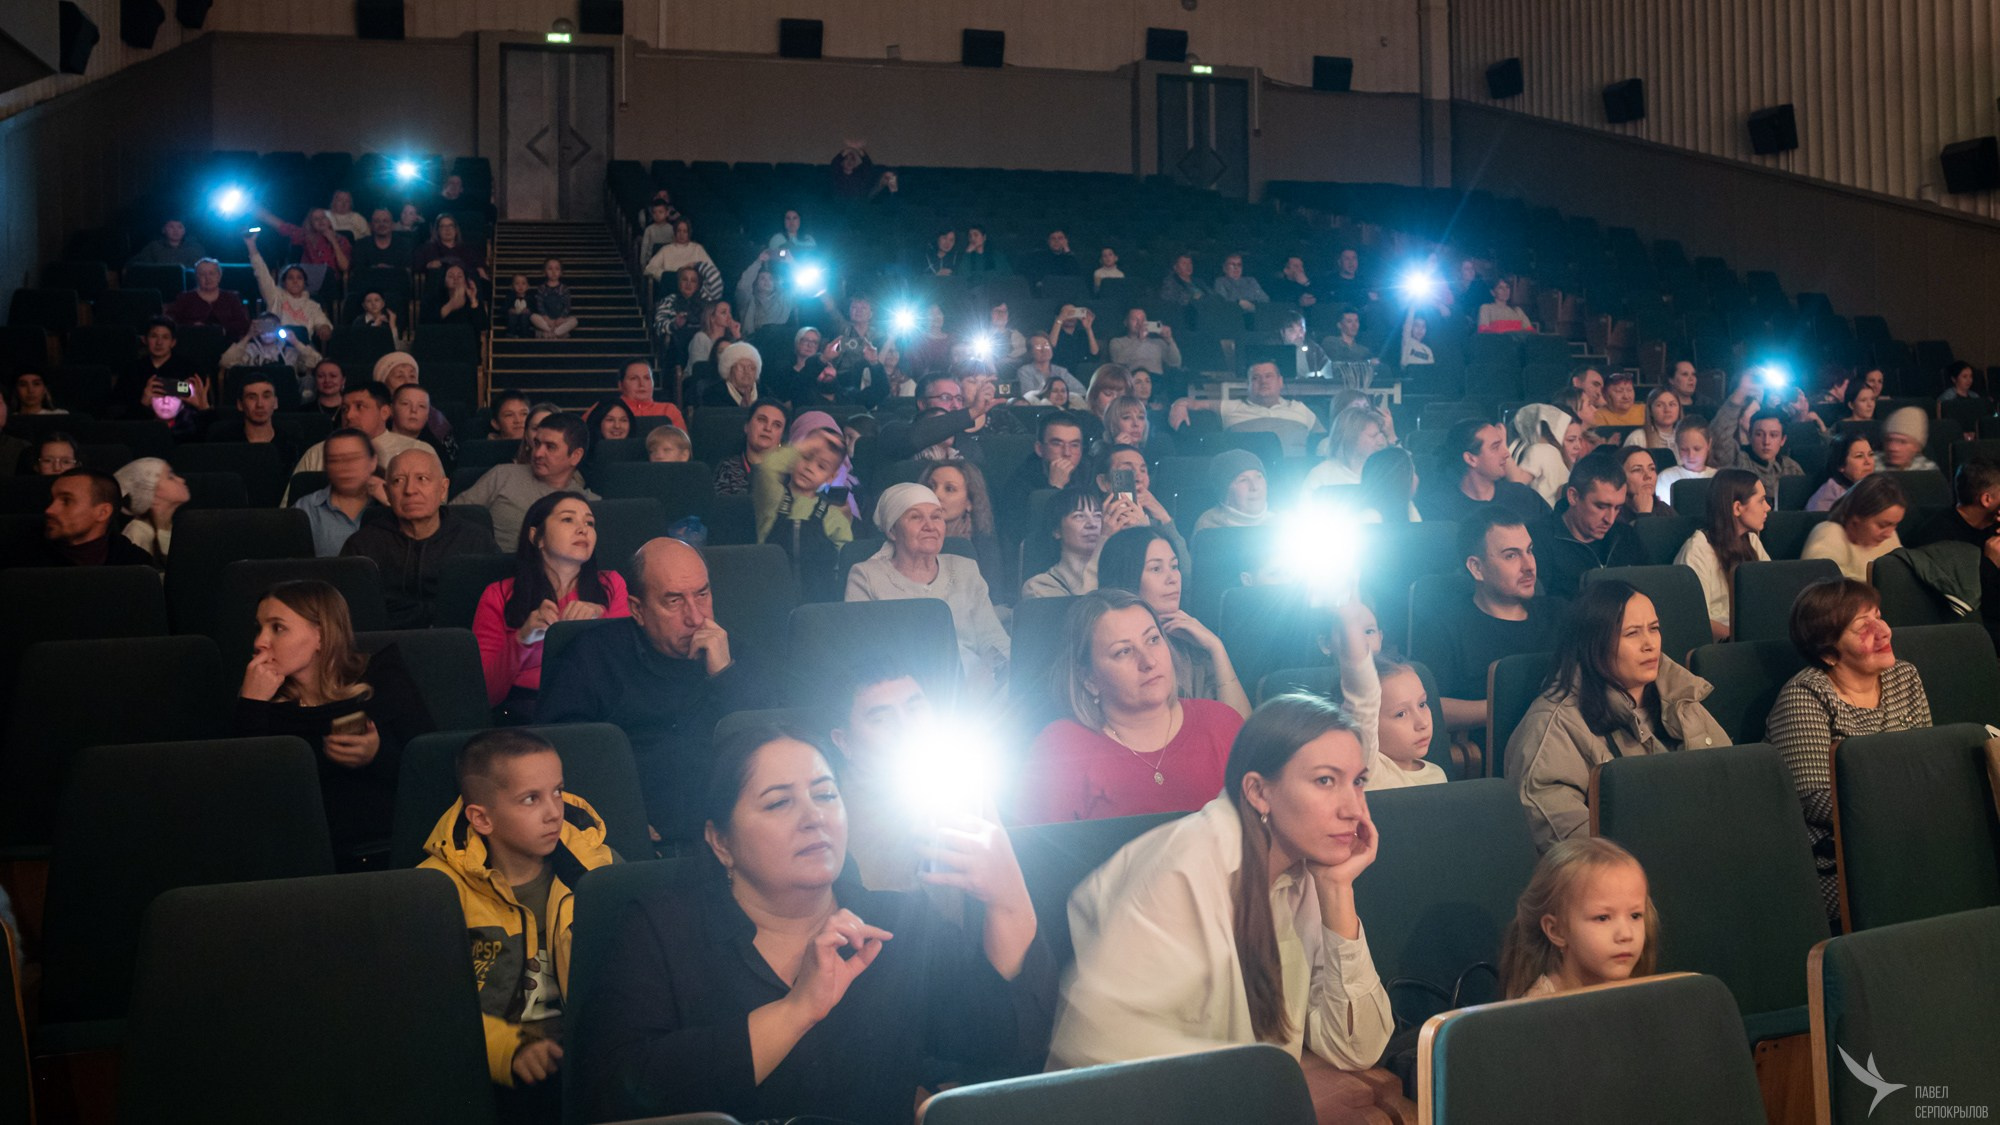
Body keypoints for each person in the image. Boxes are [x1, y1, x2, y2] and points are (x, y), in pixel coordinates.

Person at [583, 720, 1050, 1124]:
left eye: (826, 794)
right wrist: (795, 1010)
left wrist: (1010, 901)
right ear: (720, 842)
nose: (815, 817)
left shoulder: (898, 922)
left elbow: (1001, 1047)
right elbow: (615, 1097)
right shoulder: (661, 929)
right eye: (778, 803)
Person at [1047, 692, 1391, 1073]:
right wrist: (1270, 1092)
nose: (1354, 809)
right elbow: (1093, 1041)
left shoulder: (1308, 865)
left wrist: (1337, 891)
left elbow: (1357, 1048)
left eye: (1358, 781)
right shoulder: (1185, 867)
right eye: (1325, 780)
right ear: (1259, 792)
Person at [420, 729, 616, 1116]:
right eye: (531, 799)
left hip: (594, 1059)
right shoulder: (435, 890)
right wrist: (509, 1050)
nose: (554, 811)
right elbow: (425, 1006)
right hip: (495, 1073)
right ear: (482, 818)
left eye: (558, 791)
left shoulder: (598, 866)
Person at [538, 538, 769, 843]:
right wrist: (617, 819)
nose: (696, 617)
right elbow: (560, 756)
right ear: (637, 609)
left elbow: (769, 748)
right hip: (625, 836)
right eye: (674, 601)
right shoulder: (594, 657)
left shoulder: (735, 654)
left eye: (702, 595)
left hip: (731, 833)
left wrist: (724, 676)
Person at [1507, 580, 1729, 850]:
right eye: (1632, 633)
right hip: (1627, 875)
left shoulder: (1681, 696)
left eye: (1654, 628)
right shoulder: (1554, 724)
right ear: (1594, 644)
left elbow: (1731, 778)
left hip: (1709, 850)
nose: (1649, 644)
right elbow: (1556, 826)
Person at [234, 579, 436, 869]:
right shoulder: (259, 702)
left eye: (277, 627)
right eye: (259, 628)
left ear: (321, 635)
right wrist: (251, 704)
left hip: (393, 851)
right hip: (299, 859)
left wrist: (376, 755)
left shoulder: (382, 679)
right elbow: (248, 795)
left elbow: (431, 774)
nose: (259, 642)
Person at [1766, 579, 1932, 918]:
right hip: (1837, 861)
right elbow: (1814, 799)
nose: (1884, 632)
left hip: (1910, 841)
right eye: (1863, 628)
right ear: (1828, 653)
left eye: (1879, 618)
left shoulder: (1905, 676)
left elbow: (1928, 764)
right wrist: (1903, 809)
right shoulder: (1805, 696)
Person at [1015, 589, 1246, 824]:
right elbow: (1034, 856)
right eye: (1123, 651)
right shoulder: (1061, 749)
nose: (1149, 661)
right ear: (1089, 679)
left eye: (1153, 640)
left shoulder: (1221, 723)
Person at [473, 493, 630, 717]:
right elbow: (485, 695)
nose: (582, 529)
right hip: (526, 710)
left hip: (598, 706)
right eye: (568, 519)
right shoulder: (498, 594)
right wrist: (522, 640)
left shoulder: (611, 584)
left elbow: (628, 671)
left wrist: (601, 618)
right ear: (537, 537)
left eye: (589, 523)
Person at [1418, 510, 1567, 743]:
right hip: (1490, 755)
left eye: (1529, 551)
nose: (1529, 566)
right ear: (1477, 568)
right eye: (1511, 556)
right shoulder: (1445, 625)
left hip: (1564, 741)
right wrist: (1513, 708)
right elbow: (1429, 707)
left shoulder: (1559, 613)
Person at [847, 483, 1010, 687]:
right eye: (916, 517)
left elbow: (991, 637)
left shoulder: (965, 568)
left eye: (936, 517)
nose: (930, 526)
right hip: (904, 689)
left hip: (975, 686)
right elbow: (865, 652)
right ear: (892, 531)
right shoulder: (866, 576)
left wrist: (1005, 673)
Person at [1094, 526, 1252, 717]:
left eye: (1175, 566)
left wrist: (1216, 648)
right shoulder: (1103, 640)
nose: (1172, 578)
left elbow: (1239, 727)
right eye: (1156, 568)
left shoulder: (1191, 638)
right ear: (1127, 576)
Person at [340, 448, 492, 629]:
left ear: (443, 489)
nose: (410, 490)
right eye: (398, 481)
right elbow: (351, 618)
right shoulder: (361, 546)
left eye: (422, 479)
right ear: (387, 493)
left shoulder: (476, 541)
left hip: (456, 646)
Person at [1497, 838, 1659, 998]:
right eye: (1602, 918)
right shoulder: (1540, 1008)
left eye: (1635, 915)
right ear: (1556, 931)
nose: (1626, 935)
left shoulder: (1638, 993)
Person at [452, 413, 600, 552]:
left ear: (575, 456)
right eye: (537, 443)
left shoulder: (588, 505)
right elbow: (450, 517)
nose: (537, 453)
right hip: (496, 570)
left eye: (550, 447)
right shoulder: (503, 475)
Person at [1904, 458, 2000, 634]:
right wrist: (1990, 564)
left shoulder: (1994, 526)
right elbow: (1968, 604)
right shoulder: (1937, 536)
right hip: (1971, 627)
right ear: (1987, 499)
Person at [1674, 468, 1771, 641]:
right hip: (1720, 647)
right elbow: (1695, 619)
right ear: (1737, 508)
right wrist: (1740, 638)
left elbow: (1769, 592)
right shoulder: (1698, 550)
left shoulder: (1752, 540)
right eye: (1761, 501)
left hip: (1751, 638)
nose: (1768, 507)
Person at [1533, 452, 1644, 599]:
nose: (1610, 519)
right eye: (1601, 506)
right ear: (1573, 496)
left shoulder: (1627, 537)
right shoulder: (1537, 540)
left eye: (1617, 508)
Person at [288, 382, 427, 491]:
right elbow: (291, 512)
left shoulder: (418, 450)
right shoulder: (317, 452)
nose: (349, 416)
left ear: (384, 412)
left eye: (359, 407)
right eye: (345, 409)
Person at [1171, 361, 1325, 457]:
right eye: (1255, 378)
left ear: (1280, 381)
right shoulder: (1231, 407)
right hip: (1248, 479)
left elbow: (1325, 444)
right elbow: (1193, 403)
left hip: (1294, 478)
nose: (1263, 381)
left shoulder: (1301, 409)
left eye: (1269, 376)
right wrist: (1178, 404)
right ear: (1248, 385)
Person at [753, 425, 855, 565]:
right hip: (770, 583)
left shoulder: (833, 516)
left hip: (816, 587)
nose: (809, 468)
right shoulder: (773, 498)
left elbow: (845, 562)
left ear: (831, 477)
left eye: (821, 466)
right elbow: (766, 468)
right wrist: (807, 445)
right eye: (806, 457)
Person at [1419, 419, 1553, 525]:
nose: (1506, 453)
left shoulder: (1524, 497)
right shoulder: (1439, 509)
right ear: (1471, 459)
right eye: (1496, 447)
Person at [1093, 443, 1192, 573]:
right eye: (1127, 470)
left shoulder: (1156, 522)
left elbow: (1185, 576)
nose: (1138, 478)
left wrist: (1164, 518)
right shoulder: (1090, 524)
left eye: (1143, 470)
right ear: (1103, 483)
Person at [25, 468, 152, 567]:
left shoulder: (135, 565)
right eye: (51, 500)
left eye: (66, 501)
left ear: (103, 512)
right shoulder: (23, 559)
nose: (49, 510)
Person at [1800, 474, 1905, 586]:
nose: (1889, 534)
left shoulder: (1890, 536)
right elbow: (1825, 590)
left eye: (1895, 525)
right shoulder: (1829, 533)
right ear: (1856, 519)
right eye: (1882, 525)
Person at [294, 428, 382, 557]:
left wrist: (392, 503)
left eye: (353, 458)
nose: (345, 468)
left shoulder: (390, 506)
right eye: (335, 460)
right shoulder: (306, 509)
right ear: (326, 466)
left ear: (373, 462)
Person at [921, 460, 1002, 592]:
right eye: (931, 487)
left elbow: (992, 596)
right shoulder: (909, 540)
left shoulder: (983, 545)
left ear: (969, 502)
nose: (936, 495)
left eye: (950, 489)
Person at [245, 234, 333, 345]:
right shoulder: (275, 295)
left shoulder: (313, 306)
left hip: (302, 349)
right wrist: (251, 244)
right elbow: (261, 272)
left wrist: (324, 328)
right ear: (284, 282)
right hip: (275, 346)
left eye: (299, 278)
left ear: (304, 283)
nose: (295, 281)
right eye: (290, 278)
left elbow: (323, 324)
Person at [1021, 487, 1104, 600]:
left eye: (1098, 516)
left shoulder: (1117, 575)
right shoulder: (1039, 586)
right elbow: (1089, 612)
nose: (1092, 524)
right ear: (1057, 530)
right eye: (1079, 516)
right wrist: (1103, 542)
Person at [111, 457, 188, 566]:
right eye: (170, 477)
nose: (181, 480)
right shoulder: (137, 533)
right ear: (152, 495)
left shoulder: (180, 528)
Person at [1303, 404, 1392, 493]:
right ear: (1351, 439)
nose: (1381, 442)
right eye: (1373, 436)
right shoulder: (1321, 476)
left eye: (1382, 435)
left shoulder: (1388, 473)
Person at [164, 258, 251, 340]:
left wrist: (223, 329)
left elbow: (243, 324)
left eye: (211, 273)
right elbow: (170, 321)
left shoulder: (231, 297)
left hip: (227, 344)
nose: (207, 278)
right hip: (193, 341)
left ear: (219, 276)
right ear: (196, 277)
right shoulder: (185, 298)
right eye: (202, 274)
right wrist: (191, 327)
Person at [714, 401, 788, 495]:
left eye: (777, 425)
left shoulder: (791, 474)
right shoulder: (726, 469)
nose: (768, 428)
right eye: (762, 420)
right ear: (747, 427)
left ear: (781, 436)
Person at [1510, 403, 1576, 506]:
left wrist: (1502, 448)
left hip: (1540, 514)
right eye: (1571, 439)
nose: (1578, 446)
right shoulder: (1552, 453)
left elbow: (1517, 483)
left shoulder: (1540, 450)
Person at [640, 219, 723, 299]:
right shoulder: (666, 249)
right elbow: (649, 268)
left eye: (685, 231)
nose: (681, 234)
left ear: (689, 233)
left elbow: (712, 270)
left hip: (694, 293)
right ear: (675, 232)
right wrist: (664, 275)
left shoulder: (697, 249)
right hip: (671, 288)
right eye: (679, 231)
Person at [1193, 448, 1271, 532]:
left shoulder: (1280, 522)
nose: (1254, 487)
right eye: (1243, 480)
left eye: (1259, 477)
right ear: (1225, 493)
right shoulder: (1208, 527)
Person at [1741, 409, 1804, 501]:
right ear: (1750, 436)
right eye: (1759, 434)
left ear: (1783, 440)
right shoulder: (1738, 461)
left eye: (1773, 435)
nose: (1766, 442)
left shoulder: (1792, 468)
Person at [1806, 432, 1876, 512]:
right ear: (1841, 465)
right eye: (1859, 456)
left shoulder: (1876, 487)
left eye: (1871, 454)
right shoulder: (1828, 495)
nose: (1868, 462)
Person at [1653, 417, 1717, 504]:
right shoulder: (1666, 478)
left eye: (1697, 449)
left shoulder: (1718, 477)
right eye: (1684, 449)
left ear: (1709, 444)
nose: (1691, 455)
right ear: (1677, 446)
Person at [734, 251, 794, 337]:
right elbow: (743, 287)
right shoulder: (747, 301)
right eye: (762, 278)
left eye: (770, 278)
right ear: (756, 283)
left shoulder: (784, 300)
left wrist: (791, 262)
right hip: (753, 344)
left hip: (778, 343)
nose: (767, 281)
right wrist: (758, 262)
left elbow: (803, 287)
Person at [612, 361, 688, 428]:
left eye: (647, 378)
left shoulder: (668, 410)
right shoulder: (607, 411)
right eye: (633, 378)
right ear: (620, 385)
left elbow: (682, 443)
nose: (641, 384)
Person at [1108, 307, 1182, 374]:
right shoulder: (1117, 342)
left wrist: (1169, 340)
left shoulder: (1158, 343)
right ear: (1125, 322)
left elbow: (1175, 362)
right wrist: (1139, 340)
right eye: (1134, 319)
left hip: (1157, 381)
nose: (1139, 323)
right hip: (1132, 381)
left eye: (1142, 320)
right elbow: (1118, 361)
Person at [416, 213, 485, 281]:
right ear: (437, 231)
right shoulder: (428, 248)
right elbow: (417, 267)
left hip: (465, 286)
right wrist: (428, 265)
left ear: (456, 230)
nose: (447, 229)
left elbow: (479, 266)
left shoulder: (467, 249)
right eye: (443, 226)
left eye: (450, 226)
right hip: (439, 286)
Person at [1015, 333, 1082, 401]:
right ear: (1030, 352)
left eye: (1047, 345)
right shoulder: (1025, 371)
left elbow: (1081, 391)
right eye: (1038, 347)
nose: (1044, 350)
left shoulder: (1061, 371)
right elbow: (1028, 396)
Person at [1616, 445, 1671, 520]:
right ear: (1620, 476)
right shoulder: (1613, 515)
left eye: (1652, 468)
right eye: (1637, 470)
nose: (1648, 476)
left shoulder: (1664, 510)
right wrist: (1644, 514)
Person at [704, 341, 765, 409]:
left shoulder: (765, 394)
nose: (747, 371)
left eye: (752, 368)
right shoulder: (712, 394)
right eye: (741, 367)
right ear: (729, 369)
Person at [1880, 406, 1940, 472]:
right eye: (1889, 440)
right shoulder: (1870, 464)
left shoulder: (1928, 470)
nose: (1892, 447)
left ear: (1917, 446)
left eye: (1902, 442)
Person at [424, 264, 485, 329]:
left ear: (466, 281)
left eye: (459, 276)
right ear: (444, 281)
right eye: (450, 276)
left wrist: (473, 300)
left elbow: (483, 326)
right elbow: (427, 324)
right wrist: (451, 306)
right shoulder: (434, 299)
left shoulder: (472, 299)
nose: (455, 279)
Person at [128, 218, 207, 268]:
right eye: (171, 227)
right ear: (163, 230)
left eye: (179, 227)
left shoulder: (195, 248)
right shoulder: (153, 247)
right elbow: (135, 264)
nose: (176, 231)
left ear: (184, 231)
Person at [530, 258, 578, 339]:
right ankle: (557, 332)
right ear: (544, 272)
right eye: (550, 269)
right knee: (533, 317)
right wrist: (546, 318)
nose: (553, 272)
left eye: (557, 269)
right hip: (546, 319)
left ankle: (553, 333)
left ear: (561, 272)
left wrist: (562, 317)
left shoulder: (564, 288)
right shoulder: (541, 288)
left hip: (560, 320)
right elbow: (539, 304)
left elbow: (567, 305)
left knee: (574, 320)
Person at [1049, 303, 1100, 371]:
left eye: (1074, 313)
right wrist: (1059, 320)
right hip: (1060, 373)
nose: (1070, 317)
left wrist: (1088, 328)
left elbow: (1095, 355)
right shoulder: (1052, 333)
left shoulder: (1082, 335)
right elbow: (1050, 348)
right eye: (1067, 313)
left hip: (1082, 373)